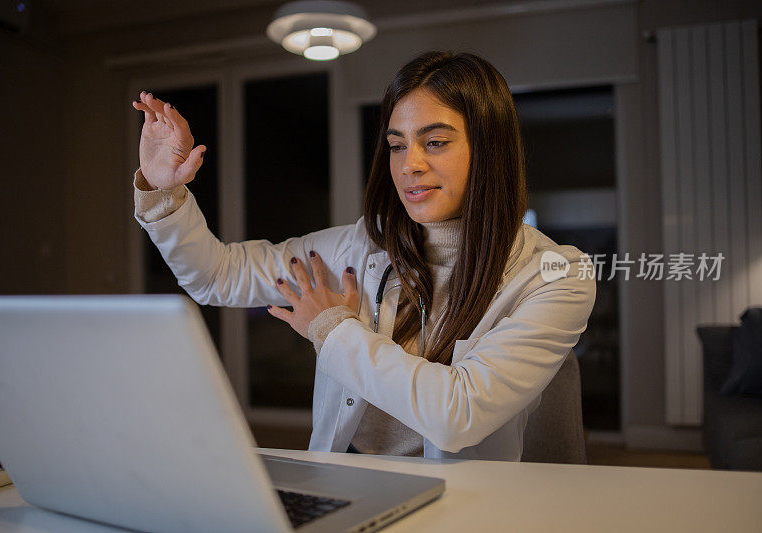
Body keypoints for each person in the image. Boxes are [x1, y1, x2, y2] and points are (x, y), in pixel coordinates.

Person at [130, 50, 596, 461]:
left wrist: (333, 328)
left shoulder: (555, 275)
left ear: (489, 149)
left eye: (435, 142)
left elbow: (459, 415)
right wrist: (163, 192)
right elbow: (217, 276)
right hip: (348, 478)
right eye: (397, 145)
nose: (409, 164)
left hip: (465, 501)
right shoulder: (359, 247)